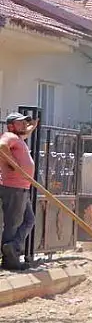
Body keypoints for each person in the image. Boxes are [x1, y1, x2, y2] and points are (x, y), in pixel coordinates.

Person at [0, 112, 37, 270]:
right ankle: (9, 260)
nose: (23, 125)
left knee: (29, 220)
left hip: (22, 187)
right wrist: (15, 165)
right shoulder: (10, 136)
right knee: (13, 224)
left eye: (24, 123)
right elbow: (2, 146)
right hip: (14, 187)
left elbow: (25, 132)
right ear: (10, 126)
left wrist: (31, 127)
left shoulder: (19, 138)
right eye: (20, 123)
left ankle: (12, 246)